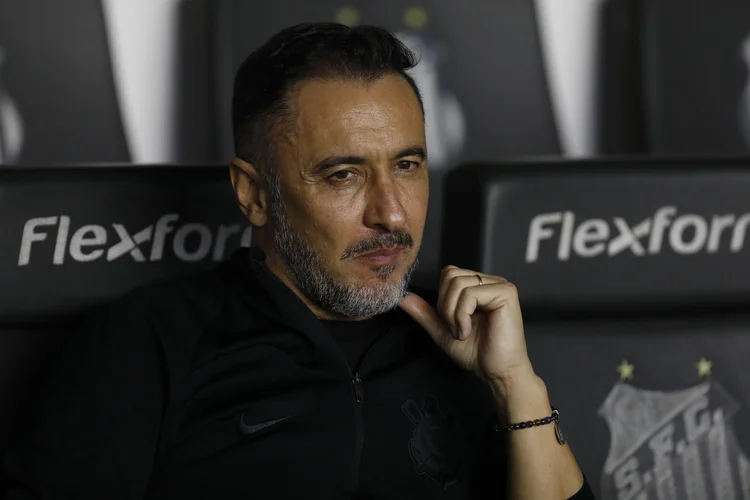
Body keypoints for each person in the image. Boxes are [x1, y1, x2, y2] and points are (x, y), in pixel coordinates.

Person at [2, 23, 596, 499]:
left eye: (408, 166)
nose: (391, 214)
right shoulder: (148, 343)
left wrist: (515, 386)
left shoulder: (469, 339)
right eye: (344, 175)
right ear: (254, 195)